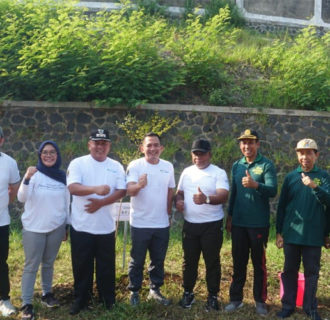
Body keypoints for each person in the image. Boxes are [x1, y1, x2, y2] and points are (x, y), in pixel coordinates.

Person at [67, 129, 126, 315]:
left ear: (109, 146)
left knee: (106, 266)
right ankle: (81, 299)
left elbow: (121, 191)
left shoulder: (116, 166)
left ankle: (107, 299)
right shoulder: (78, 163)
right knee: (82, 265)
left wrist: (101, 202)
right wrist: (95, 189)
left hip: (106, 226)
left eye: (104, 143)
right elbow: (73, 188)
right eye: (96, 143)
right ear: (89, 144)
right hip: (81, 225)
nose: (100, 146)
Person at [276, 138, 330, 320]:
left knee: (311, 273)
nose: (305, 156)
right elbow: (282, 206)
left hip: (314, 235)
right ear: (297, 155)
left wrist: (314, 186)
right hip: (292, 234)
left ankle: (310, 307)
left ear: (316, 155)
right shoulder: (291, 177)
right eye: (301, 153)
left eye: (309, 153)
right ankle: (288, 306)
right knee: (289, 270)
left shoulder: (323, 177)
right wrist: (279, 232)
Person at [225, 129, 277, 316]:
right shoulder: (237, 165)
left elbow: (272, 190)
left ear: (258, 144)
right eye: (243, 142)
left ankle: (260, 301)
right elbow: (234, 194)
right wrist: (229, 217)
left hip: (258, 224)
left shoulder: (266, 165)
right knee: (238, 262)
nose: (247, 146)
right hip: (239, 223)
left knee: (259, 264)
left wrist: (256, 185)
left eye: (251, 142)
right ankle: (235, 299)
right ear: (240, 145)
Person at [175, 139, 229, 311]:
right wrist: (179, 202)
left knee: (212, 262)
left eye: (202, 153)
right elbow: (179, 192)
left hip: (211, 226)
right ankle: (188, 293)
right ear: (192, 155)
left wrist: (205, 198)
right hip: (190, 225)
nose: (198, 157)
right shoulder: (187, 172)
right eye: (195, 153)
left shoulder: (218, 173)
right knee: (189, 261)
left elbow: (223, 196)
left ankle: (213, 297)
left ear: (209, 154)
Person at [17, 140, 69, 320]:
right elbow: (21, 198)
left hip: (56, 227)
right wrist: (27, 178)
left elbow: (66, 203)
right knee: (31, 265)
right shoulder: (34, 174)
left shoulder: (62, 177)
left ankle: (47, 294)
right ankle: (27, 303)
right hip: (34, 228)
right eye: (45, 152)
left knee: (48, 263)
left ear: (57, 155)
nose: (49, 155)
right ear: (40, 155)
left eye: (52, 152)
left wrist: (66, 226)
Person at [126, 132, 175, 306]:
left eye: (156, 145)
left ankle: (155, 290)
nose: (152, 148)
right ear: (142, 148)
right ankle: (134, 291)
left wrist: (168, 213)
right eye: (149, 145)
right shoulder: (135, 165)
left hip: (161, 223)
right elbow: (129, 191)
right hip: (140, 222)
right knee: (137, 259)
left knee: (158, 259)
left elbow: (170, 191)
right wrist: (139, 185)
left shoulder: (168, 166)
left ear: (161, 148)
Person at [0, 126, 20, 317]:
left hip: (1, 221)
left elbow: (14, 187)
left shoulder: (9, 163)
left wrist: (5, 202)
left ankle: (4, 299)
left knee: (1, 262)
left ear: (2, 140)